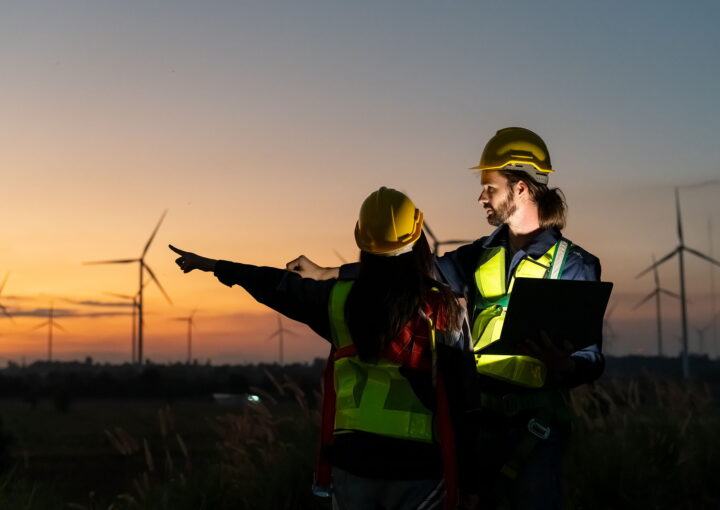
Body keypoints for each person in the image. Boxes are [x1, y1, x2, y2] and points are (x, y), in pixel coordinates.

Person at [287, 128, 604, 509]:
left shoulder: (576, 265)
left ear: (520, 188)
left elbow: (591, 357)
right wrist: (325, 273)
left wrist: (564, 365)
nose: (481, 197)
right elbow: (405, 271)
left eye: (490, 187)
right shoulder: (475, 257)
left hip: (534, 428)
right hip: (474, 423)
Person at [169, 187, 476, 510]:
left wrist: (216, 265)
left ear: (362, 242)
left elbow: (278, 286)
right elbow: (465, 401)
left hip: (350, 464)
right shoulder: (443, 309)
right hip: (418, 470)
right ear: (417, 238)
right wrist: (470, 485)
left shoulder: (338, 300)